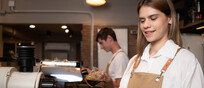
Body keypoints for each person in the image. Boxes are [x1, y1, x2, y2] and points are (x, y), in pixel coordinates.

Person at [117, 0, 204, 88]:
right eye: (142, 21)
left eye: (153, 18)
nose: (146, 25)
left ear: (170, 18)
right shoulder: (134, 61)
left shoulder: (185, 60)